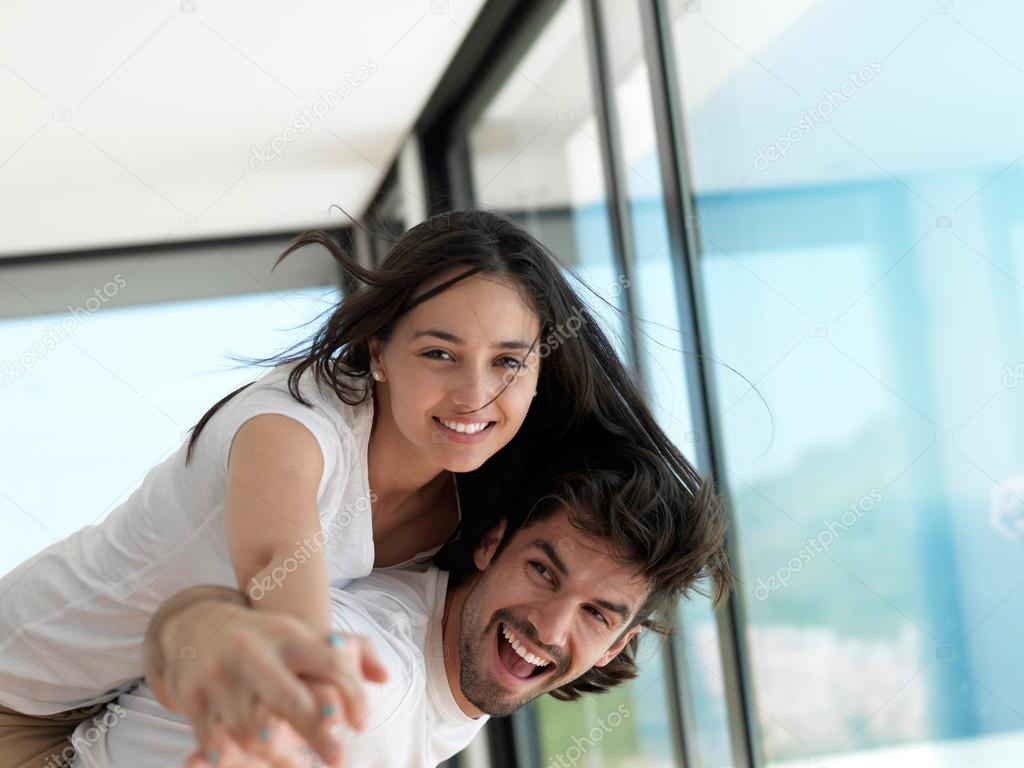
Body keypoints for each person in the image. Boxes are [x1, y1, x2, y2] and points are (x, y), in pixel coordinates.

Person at [0, 210, 708, 767]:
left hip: (119, 709)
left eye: (507, 364)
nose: (473, 395)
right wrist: (309, 693)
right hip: (15, 693)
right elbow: (280, 570)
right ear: (380, 349)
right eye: (440, 353)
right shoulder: (290, 429)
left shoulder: (474, 496)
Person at [68, 437, 732, 767]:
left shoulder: (438, 636)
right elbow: (246, 643)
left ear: (617, 646)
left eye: (597, 614)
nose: (550, 626)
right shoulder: (374, 680)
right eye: (542, 571)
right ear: (490, 542)